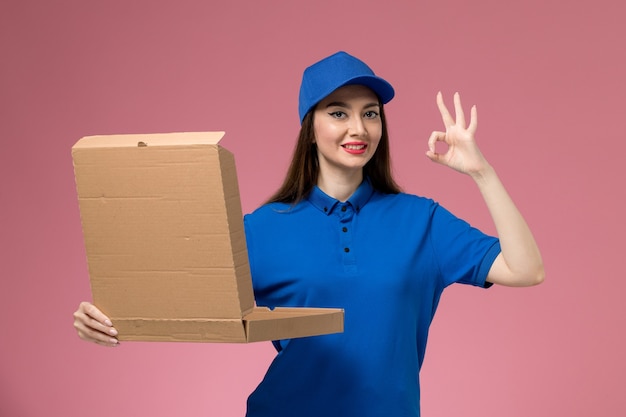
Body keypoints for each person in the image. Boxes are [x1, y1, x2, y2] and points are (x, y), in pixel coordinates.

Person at [74, 51, 544, 416]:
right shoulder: (260, 230)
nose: (357, 127)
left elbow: (526, 269)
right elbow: (176, 308)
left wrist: (481, 172)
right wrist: (105, 321)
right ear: (310, 127)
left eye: (371, 113)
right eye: (338, 112)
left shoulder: (422, 221)